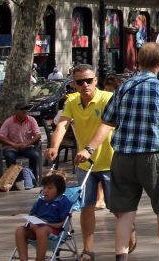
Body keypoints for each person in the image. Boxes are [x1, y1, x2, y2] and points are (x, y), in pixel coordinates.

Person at [74, 42, 159, 261]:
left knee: (124, 214)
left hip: (122, 158)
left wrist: (89, 149)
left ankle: (121, 257)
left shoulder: (123, 88)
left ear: (138, 62)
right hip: (153, 157)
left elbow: (106, 122)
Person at [45, 63, 131, 261]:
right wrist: (54, 147)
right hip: (85, 164)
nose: (85, 85)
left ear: (95, 81)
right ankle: (88, 249)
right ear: (74, 84)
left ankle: (129, 230)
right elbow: (62, 126)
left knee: (117, 208)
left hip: (110, 161)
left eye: (89, 80)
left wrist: (88, 148)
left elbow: (107, 126)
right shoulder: (72, 102)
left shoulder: (107, 98)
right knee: (86, 207)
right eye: (80, 82)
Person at [14, 172, 73, 261]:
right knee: (20, 230)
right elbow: (33, 214)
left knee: (42, 230)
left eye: (50, 188)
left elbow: (62, 224)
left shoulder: (63, 202)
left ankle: (39, 259)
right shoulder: (41, 201)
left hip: (54, 232)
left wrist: (47, 224)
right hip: (36, 229)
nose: (45, 190)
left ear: (59, 190)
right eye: (44, 187)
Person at [0, 102, 42, 184]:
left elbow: (38, 135)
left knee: (35, 155)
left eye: (26, 109)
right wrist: (14, 145)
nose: (25, 111)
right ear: (16, 111)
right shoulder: (9, 121)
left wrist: (27, 144)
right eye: (22, 109)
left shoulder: (31, 120)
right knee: (9, 156)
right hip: (12, 147)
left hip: (27, 147)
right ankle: (15, 180)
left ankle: (33, 179)